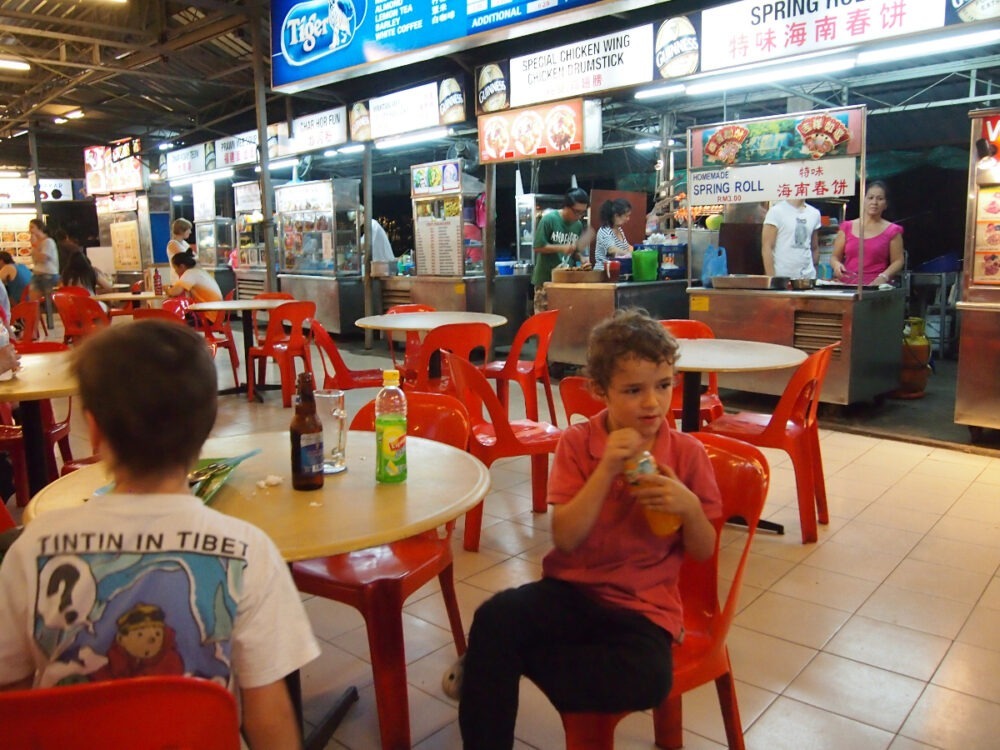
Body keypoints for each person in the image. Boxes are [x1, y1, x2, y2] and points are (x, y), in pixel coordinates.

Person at [0, 320, 320, 747]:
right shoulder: (250, 553)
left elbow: (12, 696)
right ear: (207, 429)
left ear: (93, 430)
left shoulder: (31, 549)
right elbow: (269, 716)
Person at [453, 308, 721, 750]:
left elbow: (704, 550)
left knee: (649, 679)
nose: (652, 403)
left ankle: (499, 661)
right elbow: (567, 538)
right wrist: (607, 469)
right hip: (572, 593)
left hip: (643, 608)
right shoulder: (578, 443)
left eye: (663, 385)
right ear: (600, 391)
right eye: (633, 390)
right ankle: (495, 668)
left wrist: (690, 509)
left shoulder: (688, 454)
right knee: (494, 617)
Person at [831, 181, 904, 285]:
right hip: (847, 285)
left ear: (886, 204)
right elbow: (835, 257)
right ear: (863, 201)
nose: (874, 202)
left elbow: (898, 261)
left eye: (880, 199)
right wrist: (836, 265)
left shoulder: (892, 230)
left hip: (875, 286)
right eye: (870, 198)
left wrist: (884, 276)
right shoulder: (847, 227)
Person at [532, 188, 591, 313]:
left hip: (566, 281)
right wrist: (561, 247)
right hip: (545, 280)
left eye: (583, 213)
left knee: (564, 322)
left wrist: (582, 259)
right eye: (576, 212)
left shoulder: (578, 225)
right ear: (566, 207)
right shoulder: (549, 220)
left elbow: (575, 251)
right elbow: (538, 247)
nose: (579, 216)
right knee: (544, 322)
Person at [761, 199, 822, 279]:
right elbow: (767, 247)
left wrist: (814, 273)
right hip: (782, 277)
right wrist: (772, 278)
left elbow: (814, 247)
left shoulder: (814, 213)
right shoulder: (776, 211)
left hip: (808, 277)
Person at [167, 249, 223, 322]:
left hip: (208, 316)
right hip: (217, 314)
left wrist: (167, 289)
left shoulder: (189, 273)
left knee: (174, 321)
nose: (175, 271)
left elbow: (175, 292)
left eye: (175, 268)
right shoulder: (199, 271)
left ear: (181, 266)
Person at [27, 219, 59, 325]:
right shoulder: (36, 243)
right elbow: (36, 260)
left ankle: (48, 324)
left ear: (39, 228)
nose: (30, 230)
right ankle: (33, 328)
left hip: (48, 275)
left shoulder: (48, 242)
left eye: (32, 227)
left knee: (45, 303)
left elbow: (43, 258)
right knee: (32, 303)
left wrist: (35, 248)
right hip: (37, 274)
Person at [594, 198, 633, 271]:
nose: (628, 219)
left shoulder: (619, 230)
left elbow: (627, 246)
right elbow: (611, 250)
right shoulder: (605, 230)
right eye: (626, 216)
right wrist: (631, 254)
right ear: (616, 216)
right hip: (604, 272)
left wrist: (639, 251)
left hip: (616, 271)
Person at [166, 218, 193, 282]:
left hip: (187, 278)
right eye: (188, 229)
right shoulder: (173, 244)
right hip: (178, 279)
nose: (190, 232)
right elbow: (187, 259)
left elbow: (194, 256)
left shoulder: (184, 243)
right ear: (181, 230)